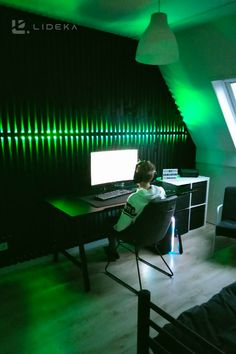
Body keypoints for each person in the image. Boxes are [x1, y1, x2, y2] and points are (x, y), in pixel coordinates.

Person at [105, 160, 166, 261]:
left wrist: (115, 226)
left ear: (136, 177)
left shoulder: (134, 198)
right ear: (153, 176)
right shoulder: (161, 191)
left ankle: (112, 252)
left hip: (138, 235)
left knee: (110, 222)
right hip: (156, 233)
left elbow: (120, 227)